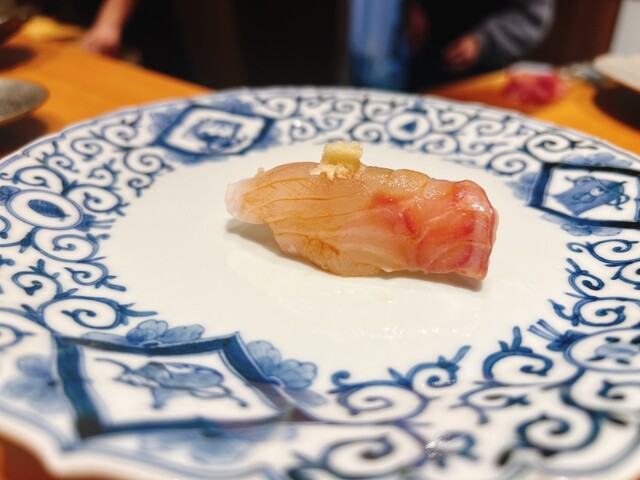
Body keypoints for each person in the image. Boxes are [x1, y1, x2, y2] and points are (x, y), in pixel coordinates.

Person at [405, 0, 556, 90]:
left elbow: (529, 15)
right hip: (422, 58)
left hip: (485, 75)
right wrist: (414, 4)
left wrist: (483, 42)